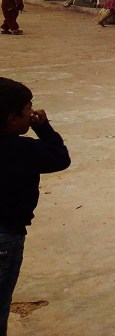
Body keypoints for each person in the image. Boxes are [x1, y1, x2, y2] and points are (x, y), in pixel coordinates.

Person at [0, 77, 71, 336]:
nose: (33, 112)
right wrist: (44, 129)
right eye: (28, 108)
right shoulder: (22, 149)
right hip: (6, 237)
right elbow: (60, 158)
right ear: (12, 119)